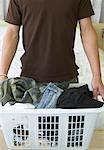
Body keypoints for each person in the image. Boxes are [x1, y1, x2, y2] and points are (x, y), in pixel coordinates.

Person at [0, 0, 104, 99]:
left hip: (67, 80)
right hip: (29, 81)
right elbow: (12, 34)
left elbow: (87, 31)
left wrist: (97, 76)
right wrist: (2, 74)